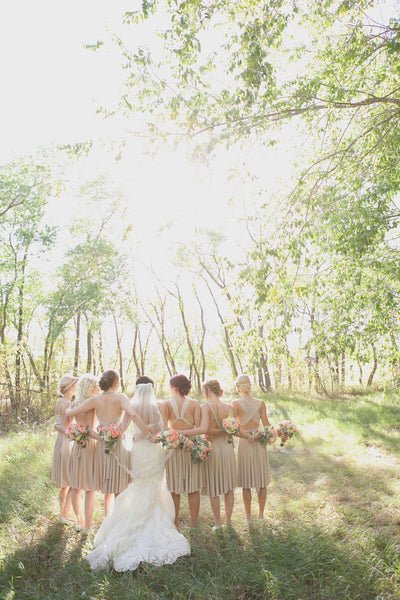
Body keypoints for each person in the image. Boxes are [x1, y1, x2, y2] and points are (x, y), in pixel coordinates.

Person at [86, 381, 190, 571]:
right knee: (156, 484)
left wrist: (112, 435)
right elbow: (162, 429)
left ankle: (133, 521)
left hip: (139, 451)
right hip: (154, 449)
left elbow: (123, 427)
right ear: (151, 390)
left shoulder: (132, 407)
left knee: (140, 484)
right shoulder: (158, 406)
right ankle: (156, 519)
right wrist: (153, 434)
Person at [66, 369, 154, 517]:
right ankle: (120, 518)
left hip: (103, 446)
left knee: (109, 487)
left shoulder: (95, 400)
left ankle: (110, 519)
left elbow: (70, 413)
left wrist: (69, 407)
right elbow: (132, 414)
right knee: (120, 485)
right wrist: (148, 434)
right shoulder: (120, 398)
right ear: (115, 382)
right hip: (117, 444)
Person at [179, 379, 237, 529]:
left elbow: (205, 429)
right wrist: (224, 432)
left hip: (213, 447)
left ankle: (218, 523)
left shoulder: (205, 407)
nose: (203, 394)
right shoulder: (229, 407)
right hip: (228, 447)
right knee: (229, 486)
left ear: (209, 391)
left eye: (204, 391)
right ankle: (229, 521)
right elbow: (231, 430)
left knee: (213, 486)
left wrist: (183, 432)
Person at [161, 374, 202, 528]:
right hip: (190, 447)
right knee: (193, 488)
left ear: (174, 388)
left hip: (173, 448)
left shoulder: (166, 404)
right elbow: (198, 428)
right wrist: (187, 438)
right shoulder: (195, 404)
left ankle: (175, 523)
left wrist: (178, 436)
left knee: (174, 489)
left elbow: (165, 430)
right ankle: (194, 524)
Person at [232, 374, 271, 522]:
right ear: (250, 386)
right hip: (259, 440)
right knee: (261, 480)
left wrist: (248, 436)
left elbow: (233, 429)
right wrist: (261, 433)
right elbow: (267, 425)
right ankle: (260, 515)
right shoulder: (261, 403)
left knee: (246, 482)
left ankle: (249, 517)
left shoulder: (235, 404)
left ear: (238, 388)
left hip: (245, 442)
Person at [68, 373, 100, 533]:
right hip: (88, 445)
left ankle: (79, 519)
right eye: (96, 387)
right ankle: (87, 524)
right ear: (90, 388)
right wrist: (103, 438)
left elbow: (75, 425)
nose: (98, 389)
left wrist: (75, 433)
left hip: (77, 444)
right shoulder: (91, 404)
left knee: (76, 486)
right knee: (90, 487)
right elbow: (89, 430)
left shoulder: (74, 404)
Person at [51, 374, 78, 525]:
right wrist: (72, 432)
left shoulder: (62, 402)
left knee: (65, 480)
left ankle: (64, 513)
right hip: (66, 441)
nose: (76, 388)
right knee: (69, 479)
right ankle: (64, 514)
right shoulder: (66, 404)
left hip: (62, 441)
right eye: (75, 385)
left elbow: (58, 424)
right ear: (69, 387)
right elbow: (60, 425)